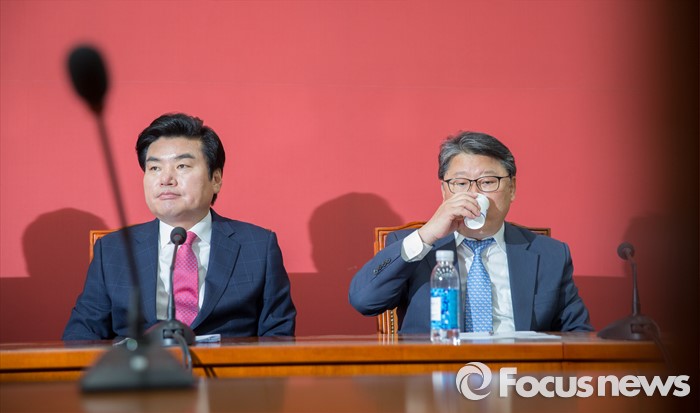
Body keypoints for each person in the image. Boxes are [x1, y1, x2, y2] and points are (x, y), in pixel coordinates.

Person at [63, 113, 296, 340]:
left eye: (182, 166)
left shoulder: (258, 247)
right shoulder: (113, 250)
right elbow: (81, 336)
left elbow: (278, 338)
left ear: (215, 179)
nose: (166, 179)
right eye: (154, 168)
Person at [349, 131, 592, 333]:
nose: (474, 194)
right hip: (437, 371)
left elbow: (578, 333)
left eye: (487, 182)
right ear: (444, 191)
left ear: (512, 188)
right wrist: (427, 235)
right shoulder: (416, 247)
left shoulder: (550, 254)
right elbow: (364, 301)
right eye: (461, 183)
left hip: (517, 371)